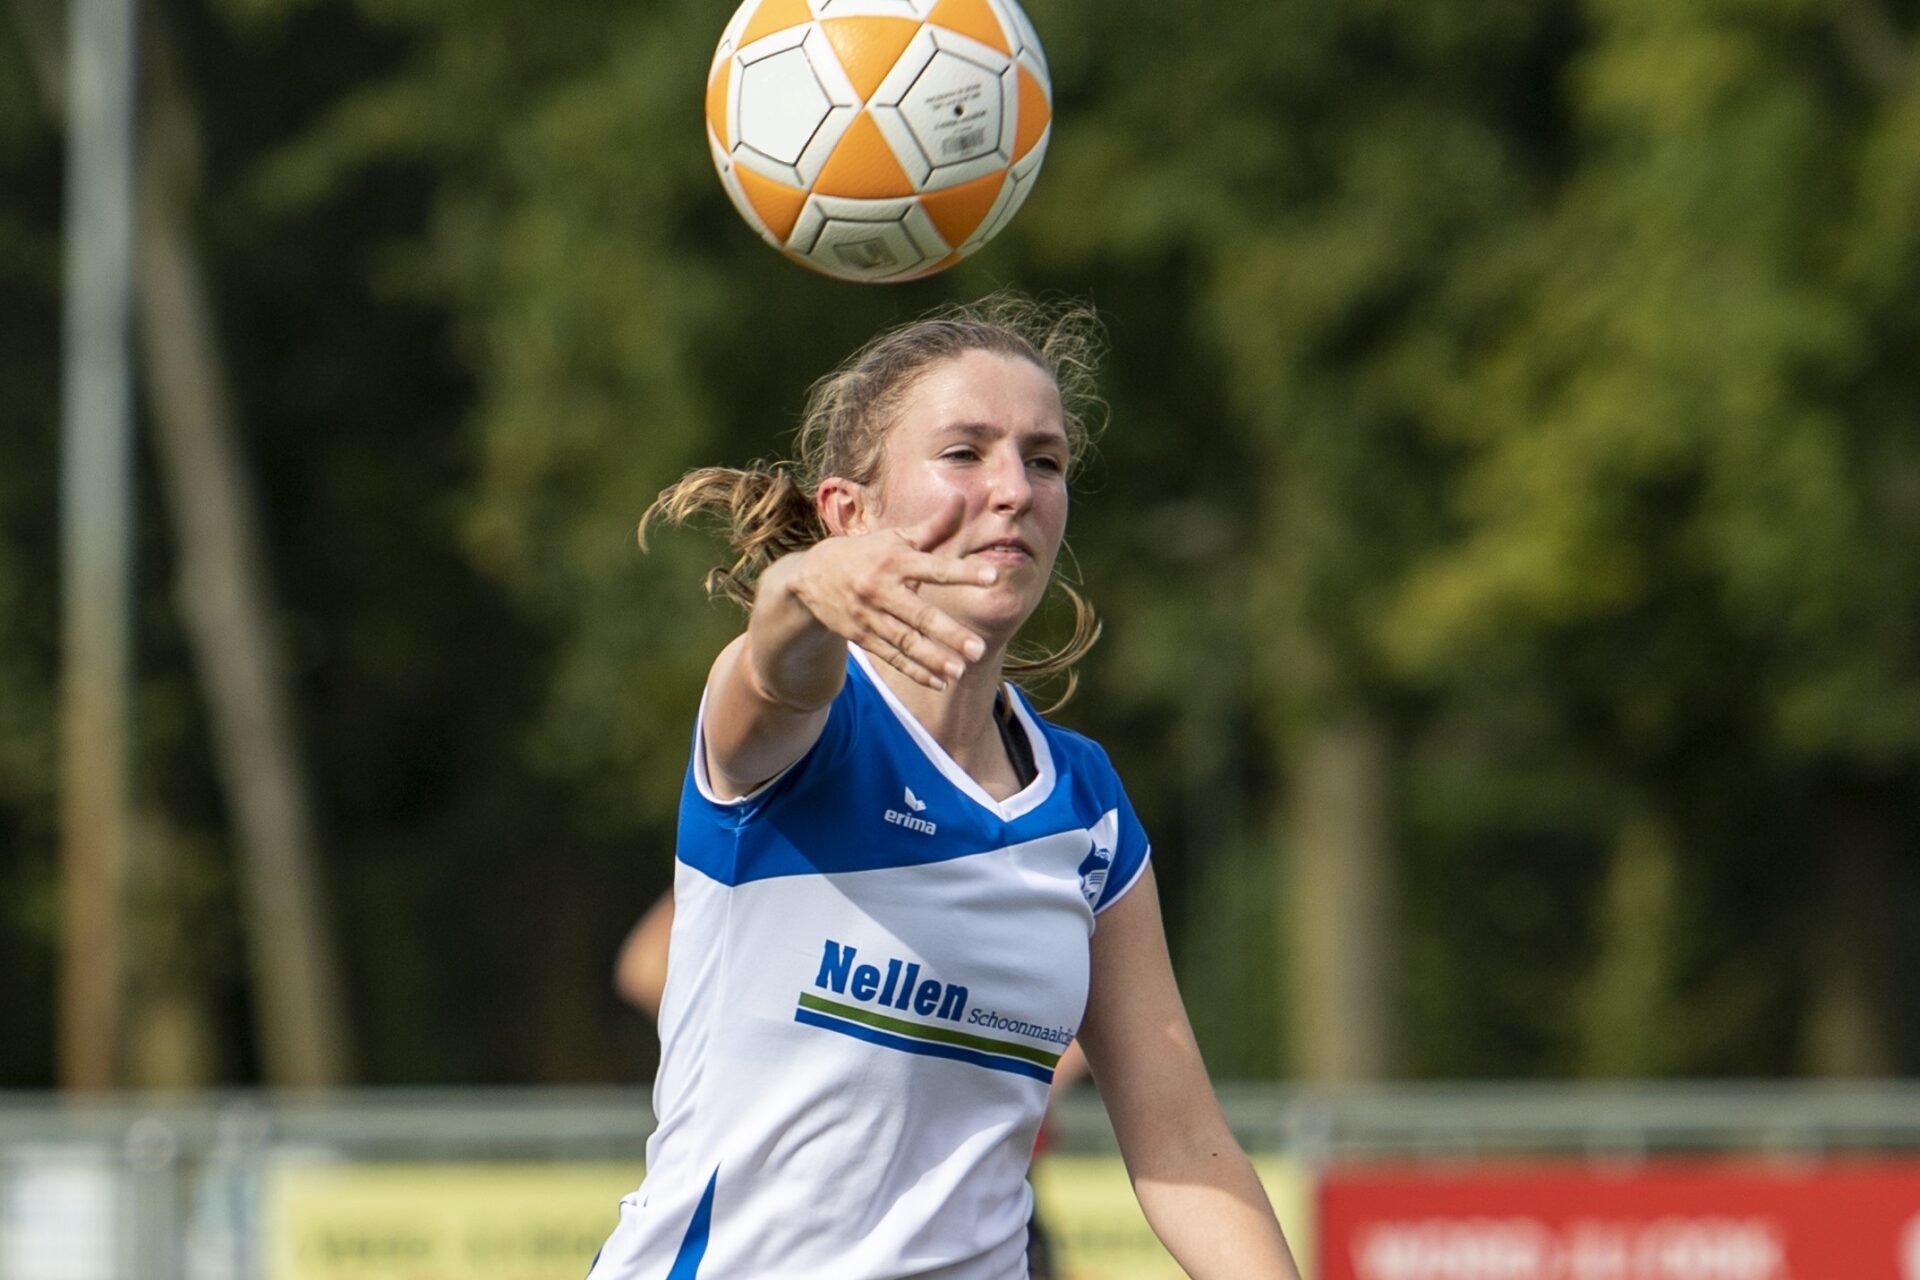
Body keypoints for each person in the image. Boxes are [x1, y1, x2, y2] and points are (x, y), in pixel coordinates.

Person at [589, 295, 1299, 1280]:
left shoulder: (1087, 804)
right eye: (964, 452)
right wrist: (801, 587)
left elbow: (1183, 1147)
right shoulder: (802, 730)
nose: (1013, 487)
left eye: (1043, 459)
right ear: (849, 511)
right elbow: (770, 666)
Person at [615, 890, 1085, 1278]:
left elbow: (1102, 1012)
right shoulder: (769, 842)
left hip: (973, 1179)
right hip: (797, 1183)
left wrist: (1027, 1076)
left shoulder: (1014, 869)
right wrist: (764, 1032)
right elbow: (642, 968)